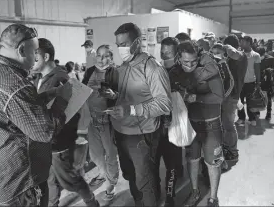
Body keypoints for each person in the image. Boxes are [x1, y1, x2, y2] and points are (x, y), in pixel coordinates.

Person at [0, 24, 55, 207]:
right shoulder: (16, 84)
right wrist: (63, 102)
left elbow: (7, 111)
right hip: (23, 182)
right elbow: (44, 132)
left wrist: (43, 97)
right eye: (34, 53)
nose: (35, 59)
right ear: (22, 50)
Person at [105, 23, 172, 206]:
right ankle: (139, 201)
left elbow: (164, 103)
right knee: (130, 175)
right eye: (118, 45)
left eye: (124, 44)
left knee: (145, 180)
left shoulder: (152, 67)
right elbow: (132, 95)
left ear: (136, 42)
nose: (121, 49)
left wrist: (131, 110)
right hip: (122, 132)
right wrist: (115, 97)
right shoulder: (123, 67)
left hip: (142, 135)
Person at [30, 38, 100, 207]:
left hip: (58, 143)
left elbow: (76, 111)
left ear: (45, 56)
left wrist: (79, 137)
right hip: (49, 143)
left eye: (35, 56)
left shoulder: (59, 79)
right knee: (51, 180)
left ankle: (92, 202)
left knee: (72, 180)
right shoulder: (42, 77)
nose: (31, 60)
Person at [169, 40, 224, 207]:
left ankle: (213, 198)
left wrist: (196, 98)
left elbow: (219, 97)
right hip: (190, 124)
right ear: (179, 58)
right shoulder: (176, 72)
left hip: (211, 124)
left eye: (193, 61)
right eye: (186, 62)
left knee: (212, 163)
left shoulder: (209, 70)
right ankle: (194, 192)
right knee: (192, 160)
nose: (190, 65)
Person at [81, 44, 120, 201]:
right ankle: (104, 173)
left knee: (110, 154)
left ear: (110, 57)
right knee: (95, 154)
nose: (102, 59)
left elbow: (123, 94)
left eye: (105, 56)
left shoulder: (115, 72)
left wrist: (114, 95)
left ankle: (112, 182)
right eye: (99, 55)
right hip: (91, 119)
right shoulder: (90, 71)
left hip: (107, 120)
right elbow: (82, 90)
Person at [213, 34, 248, 164]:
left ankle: (233, 152)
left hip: (231, 95)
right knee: (224, 124)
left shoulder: (240, 56)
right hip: (225, 95)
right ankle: (227, 148)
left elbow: (233, 54)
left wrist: (225, 46)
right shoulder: (229, 58)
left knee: (228, 124)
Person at [159, 37, 184, 207]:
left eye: (168, 53)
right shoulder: (158, 70)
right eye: (162, 52)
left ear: (176, 54)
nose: (164, 55)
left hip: (174, 125)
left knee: (171, 163)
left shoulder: (183, 73)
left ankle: (170, 195)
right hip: (157, 126)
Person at [237, 36, 261, 126]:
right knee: (240, 102)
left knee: (251, 102)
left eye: (243, 42)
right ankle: (241, 118)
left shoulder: (255, 55)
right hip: (240, 83)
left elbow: (257, 70)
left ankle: (252, 118)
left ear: (249, 43)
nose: (241, 44)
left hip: (251, 83)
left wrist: (258, 83)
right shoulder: (238, 54)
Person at [257, 47, 274, 120]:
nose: (260, 57)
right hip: (258, 81)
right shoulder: (255, 58)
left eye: (261, 55)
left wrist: (271, 70)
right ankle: (257, 112)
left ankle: (268, 113)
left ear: (264, 53)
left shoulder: (271, 59)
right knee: (258, 96)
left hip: (268, 81)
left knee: (269, 97)